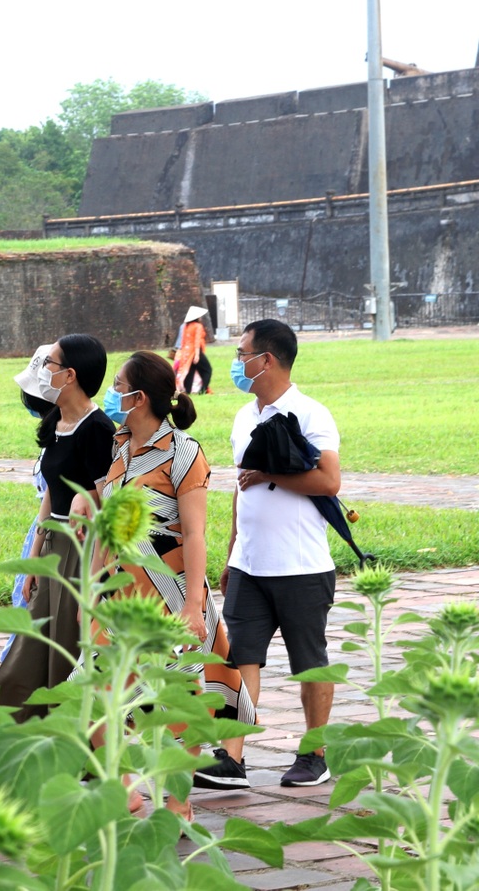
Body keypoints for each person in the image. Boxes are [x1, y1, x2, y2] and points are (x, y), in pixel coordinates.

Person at [97, 350, 255, 817]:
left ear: (138, 396)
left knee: (180, 703)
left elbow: (194, 533)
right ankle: (126, 793)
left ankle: (177, 805)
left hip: (170, 597)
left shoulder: (183, 452)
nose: (114, 393)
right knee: (97, 698)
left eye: (118, 384)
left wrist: (192, 604)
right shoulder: (120, 447)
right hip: (119, 596)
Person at [220, 319, 340, 788]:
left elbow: (329, 482)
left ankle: (315, 752)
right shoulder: (243, 416)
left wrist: (271, 475)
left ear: (265, 359)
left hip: (301, 565)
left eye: (241, 352)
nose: (236, 361)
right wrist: (232, 551)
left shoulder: (311, 414)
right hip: (250, 563)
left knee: (309, 659)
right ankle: (232, 757)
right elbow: (240, 488)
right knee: (240, 657)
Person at [0, 334, 116, 720]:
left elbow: (107, 499)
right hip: (51, 548)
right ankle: (16, 728)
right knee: (33, 643)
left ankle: (70, 738)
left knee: (66, 643)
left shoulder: (97, 428)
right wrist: (33, 559)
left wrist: (95, 576)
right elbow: (51, 494)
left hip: (82, 550)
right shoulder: (57, 422)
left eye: (51, 364)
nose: (43, 371)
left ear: (70, 375)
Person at [0, 345, 55, 663]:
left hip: (54, 536)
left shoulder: (81, 431)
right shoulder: (56, 432)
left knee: (29, 621)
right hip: (41, 533)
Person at [175, 305, 213, 395]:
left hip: (186, 352)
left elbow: (183, 341)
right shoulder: (198, 326)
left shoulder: (186, 326)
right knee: (207, 370)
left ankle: (188, 390)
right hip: (195, 351)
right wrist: (197, 354)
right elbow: (197, 341)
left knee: (190, 372)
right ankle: (203, 390)